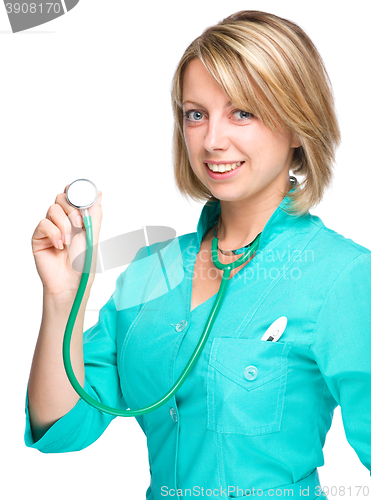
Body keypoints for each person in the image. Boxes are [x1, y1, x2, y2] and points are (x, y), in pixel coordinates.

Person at [25, 9, 371, 499]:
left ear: (299, 124)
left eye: (243, 112)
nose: (211, 140)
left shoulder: (342, 275)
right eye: (196, 114)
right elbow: (62, 426)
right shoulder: (154, 268)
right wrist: (63, 297)